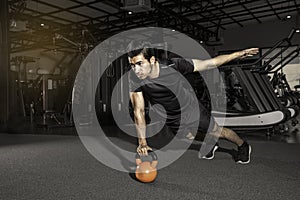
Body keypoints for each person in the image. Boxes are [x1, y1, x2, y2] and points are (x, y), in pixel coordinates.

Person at [127, 40, 259, 164]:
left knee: (216, 131)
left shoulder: (174, 65)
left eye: (139, 64)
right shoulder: (134, 78)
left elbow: (209, 63)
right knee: (188, 136)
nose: (136, 70)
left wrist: (237, 54)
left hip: (190, 108)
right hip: (171, 115)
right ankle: (211, 143)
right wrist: (142, 142)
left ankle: (242, 145)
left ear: (152, 60)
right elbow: (139, 110)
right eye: (132, 65)